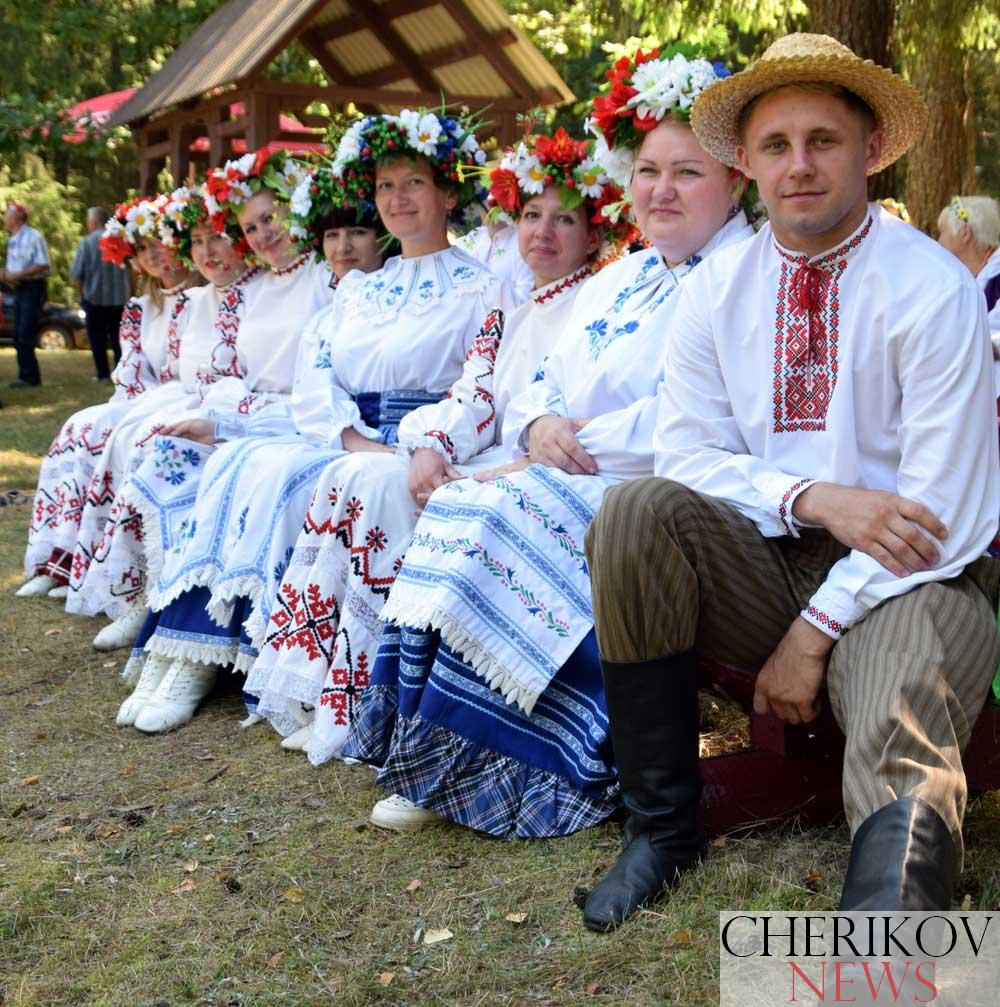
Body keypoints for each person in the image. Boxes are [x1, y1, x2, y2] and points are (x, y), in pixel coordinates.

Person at [581, 33, 1000, 932]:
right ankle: (662, 827)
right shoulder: (717, 286)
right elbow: (683, 454)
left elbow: (946, 512)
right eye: (776, 145)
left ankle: (891, 936)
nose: (799, 165)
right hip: (766, 560)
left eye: (824, 141)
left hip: (913, 574)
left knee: (902, 687)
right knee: (633, 512)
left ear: (869, 152)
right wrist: (811, 498)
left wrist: (813, 632)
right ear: (748, 162)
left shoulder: (930, 286)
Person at [337, 49, 753, 834]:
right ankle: (426, 750)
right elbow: (544, 379)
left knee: (506, 506)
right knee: (468, 497)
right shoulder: (623, 275)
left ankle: (522, 763)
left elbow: (704, 411)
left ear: (734, 179)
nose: (662, 189)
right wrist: (538, 424)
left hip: (662, 485)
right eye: (650, 171)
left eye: (688, 172)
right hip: (573, 461)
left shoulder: (743, 275)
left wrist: (571, 443)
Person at [114, 110, 512, 736]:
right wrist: (352, 437)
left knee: (279, 473)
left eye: (413, 183)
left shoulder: (482, 287)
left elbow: (480, 383)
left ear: (448, 193)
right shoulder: (359, 291)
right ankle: (183, 647)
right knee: (244, 460)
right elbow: (317, 376)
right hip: (348, 436)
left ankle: (234, 660)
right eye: (385, 187)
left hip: (421, 445)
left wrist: (419, 441)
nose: (397, 199)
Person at [245, 124, 637, 758]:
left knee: (389, 485)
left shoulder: (542, 296)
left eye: (563, 219)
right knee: (346, 473)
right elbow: (479, 389)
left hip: (549, 460)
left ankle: (401, 707)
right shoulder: (524, 303)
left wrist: (451, 451)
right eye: (531, 215)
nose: (541, 231)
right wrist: (430, 442)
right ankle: (335, 687)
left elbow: (537, 400)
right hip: (461, 443)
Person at [63, 149, 331, 646]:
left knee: (210, 461)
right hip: (252, 410)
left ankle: (196, 632)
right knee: (166, 449)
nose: (263, 234)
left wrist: (230, 421)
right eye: (251, 228)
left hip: (296, 419)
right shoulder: (255, 288)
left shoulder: (325, 274)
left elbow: (320, 383)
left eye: (270, 219)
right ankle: (144, 595)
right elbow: (230, 370)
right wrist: (219, 413)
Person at [17, 196, 196, 598]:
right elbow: (133, 371)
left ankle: (100, 569)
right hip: (145, 398)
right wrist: (127, 405)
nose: (155, 255)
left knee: (124, 436)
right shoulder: (141, 307)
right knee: (81, 426)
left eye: (160, 243)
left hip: (189, 399)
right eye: (144, 249)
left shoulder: (207, 297)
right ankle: (61, 559)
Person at [71, 206, 131, 381]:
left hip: (94, 298)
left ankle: (103, 374)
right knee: (119, 339)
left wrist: (81, 295)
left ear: (93, 222)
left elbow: (77, 273)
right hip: (120, 298)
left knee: (97, 339)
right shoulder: (122, 241)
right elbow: (132, 271)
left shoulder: (87, 243)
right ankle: (121, 373)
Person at [937, 195, 1000, 344]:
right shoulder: (958, 277)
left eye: (943, 231)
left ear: (965, 233)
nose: (938, 241)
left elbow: (993, 336)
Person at [2, 202, 50, 387]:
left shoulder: (33, 236)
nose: (4, 217)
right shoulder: (13, 239)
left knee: (25, 332)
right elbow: (15, 268)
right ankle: (25, 376)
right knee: (17, 334)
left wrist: (17, 274)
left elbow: (43, 264)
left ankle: (31, 378)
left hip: (33, 287)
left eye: (7, 214)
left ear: (17, 218)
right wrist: (6, 274)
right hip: (20, 288)